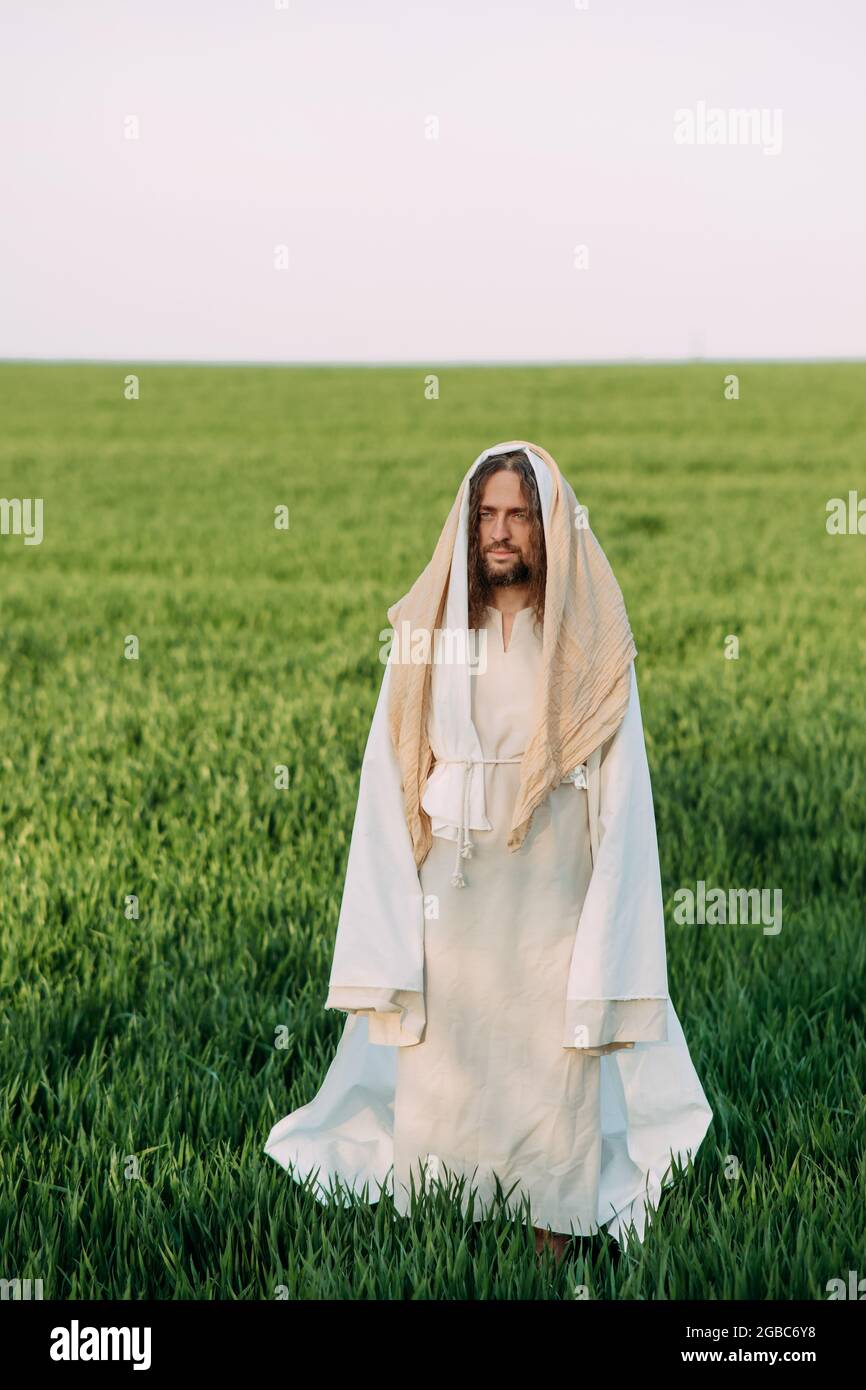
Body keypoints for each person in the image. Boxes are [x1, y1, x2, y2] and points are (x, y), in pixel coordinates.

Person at [264, 440, 713, 1265]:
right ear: (468, 527)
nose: (500, 533)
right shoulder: (429, 632)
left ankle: (553, 1227)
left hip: (553, 886)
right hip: (452, 889)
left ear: (549, 528)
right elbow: (389, 769)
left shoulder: (590, 645)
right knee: (447, 1055)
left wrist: (610, 912)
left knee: (553, 1054)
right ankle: (447, 1218)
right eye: (487, 516)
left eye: (518, 516)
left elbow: (623, 786)